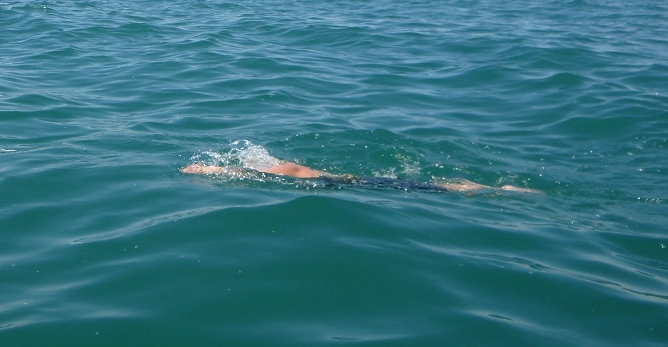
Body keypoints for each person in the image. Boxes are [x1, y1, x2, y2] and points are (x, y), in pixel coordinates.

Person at [181, 158, 539, 194]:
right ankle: (474, 189)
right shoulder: (285, 166)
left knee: (438, 189)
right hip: (356, 180)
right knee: (427, 187)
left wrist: (207, 170)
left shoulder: (285, 172)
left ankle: (497, 190)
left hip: (359, 184)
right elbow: (250, 165)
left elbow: (242, 170)